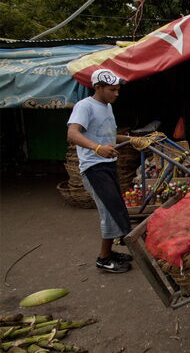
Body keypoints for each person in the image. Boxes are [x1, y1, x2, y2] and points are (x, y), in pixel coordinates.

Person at [67, 69, 133, 273]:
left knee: (116, 208)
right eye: (112, 90)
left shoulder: (107, 107)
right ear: (98, 88)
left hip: (107, 166)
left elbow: (108, 138)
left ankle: (111, 252)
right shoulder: (85, 106)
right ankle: (103, 258)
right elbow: (72, 133)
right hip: (93, 168)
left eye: (118, 90)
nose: (116, 94)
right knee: (110, 211)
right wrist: (96, 148)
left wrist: (132, 139)